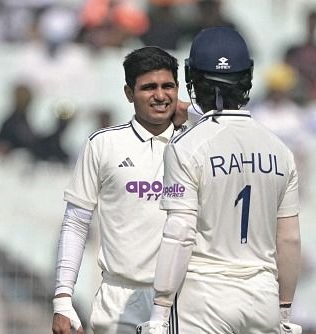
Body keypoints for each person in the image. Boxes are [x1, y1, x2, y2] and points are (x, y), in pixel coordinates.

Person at [137, 27, 302, 334]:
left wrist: (159, 313)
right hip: (262, 299)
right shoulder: (280, 150)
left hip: (203, 301)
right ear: (247, 78)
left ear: (193, 79)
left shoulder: (187, 147)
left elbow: (180, 233)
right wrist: (284, 312)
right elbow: (289, 240)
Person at [51, 46, 186, 334]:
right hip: (119, 298)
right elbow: (76, 223)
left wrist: (195, 115)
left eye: (168, 86)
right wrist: (63, 298)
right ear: (128, 93)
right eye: (149, 87)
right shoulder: (102, 145)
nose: (160, 96)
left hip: (185, 300)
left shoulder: (196, 144)